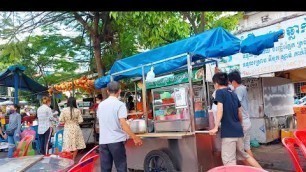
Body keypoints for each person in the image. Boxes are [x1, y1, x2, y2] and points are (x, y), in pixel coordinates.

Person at [208, 72, 262, 168]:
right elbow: (239, 113)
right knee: (244, 155)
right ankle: (262, 170)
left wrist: (216, 127)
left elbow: (220, 109)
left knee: (229, 162)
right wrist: (239, 124)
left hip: (229, 133)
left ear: (216, 83)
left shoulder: (219, 93)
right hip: (238, 131)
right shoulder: (233, 94)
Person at [98, 81, 143, 172]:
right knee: (121, 167)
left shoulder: (101, 105)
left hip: (103, 141)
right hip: (116, 141)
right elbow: (123, 123)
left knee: (105, 169)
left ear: (107, 91)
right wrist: (134, 137)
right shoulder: (120, 105)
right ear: (119, 91)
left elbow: (101, 121)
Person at [228, 70, 254, 158]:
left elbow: (236, 105)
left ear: (233, 82)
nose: (229, 85)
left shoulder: (239, 89)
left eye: (229, 82)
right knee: (247, 148)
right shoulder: (243, 88)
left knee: (241, 151)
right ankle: (256, 169)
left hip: (243, 123)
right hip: (247, 121)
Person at [59, 97, 86, 161]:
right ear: (74, 102)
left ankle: (68, 160)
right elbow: (80, 121)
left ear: (68, 102)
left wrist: (66, 121)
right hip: (76, 128)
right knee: (75, 145)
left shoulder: (64, 110)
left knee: (67, 144)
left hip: (67, 129)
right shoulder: (77, 110)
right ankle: (73, 159)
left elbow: (61, 120)